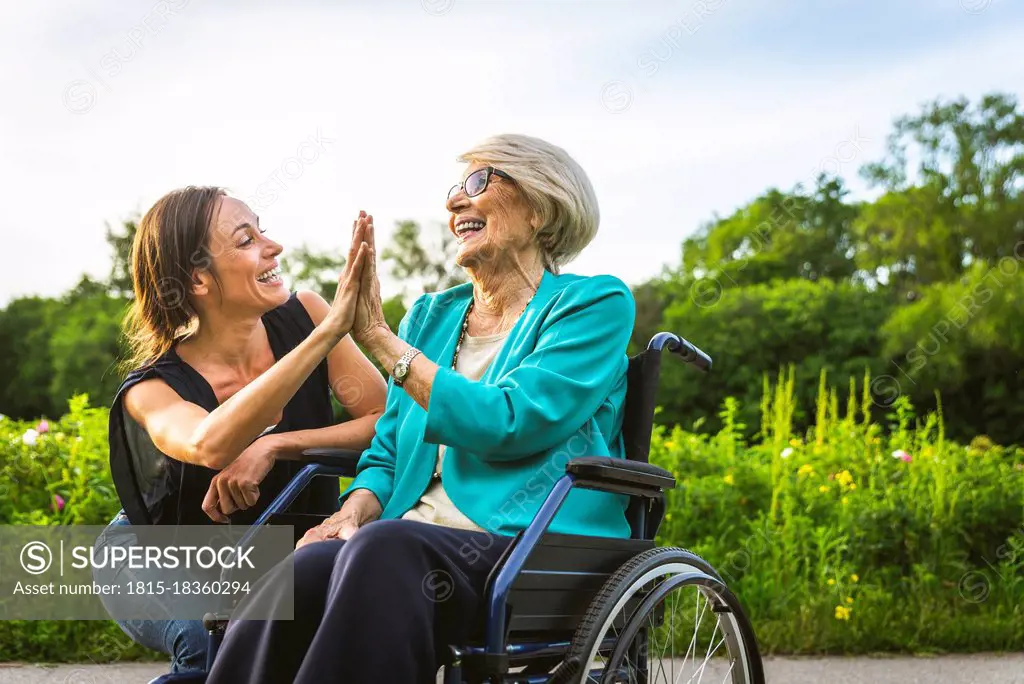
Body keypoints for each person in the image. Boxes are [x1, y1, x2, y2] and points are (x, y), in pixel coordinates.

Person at [208, 134, 638, 684]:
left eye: (479, 182)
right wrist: (353, 511)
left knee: (387, 549)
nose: (455, 201)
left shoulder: (593, 303)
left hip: (531, 548)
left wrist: (380, 341)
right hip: (412, 545)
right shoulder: (430, 317)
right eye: (455, 187)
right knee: (306, 565)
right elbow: (387, 454)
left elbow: (511, 421)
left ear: (540, 207)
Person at [97, 186, 387, 673]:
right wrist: (327, 335)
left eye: (263, 230)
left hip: (272, 558)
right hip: (160, 558)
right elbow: (209, 443)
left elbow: (384, 422)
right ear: (199, 280)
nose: (273, 248)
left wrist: (278, 444)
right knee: (205, 639)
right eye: (245, 239)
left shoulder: (306, 315)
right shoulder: (151, 389)